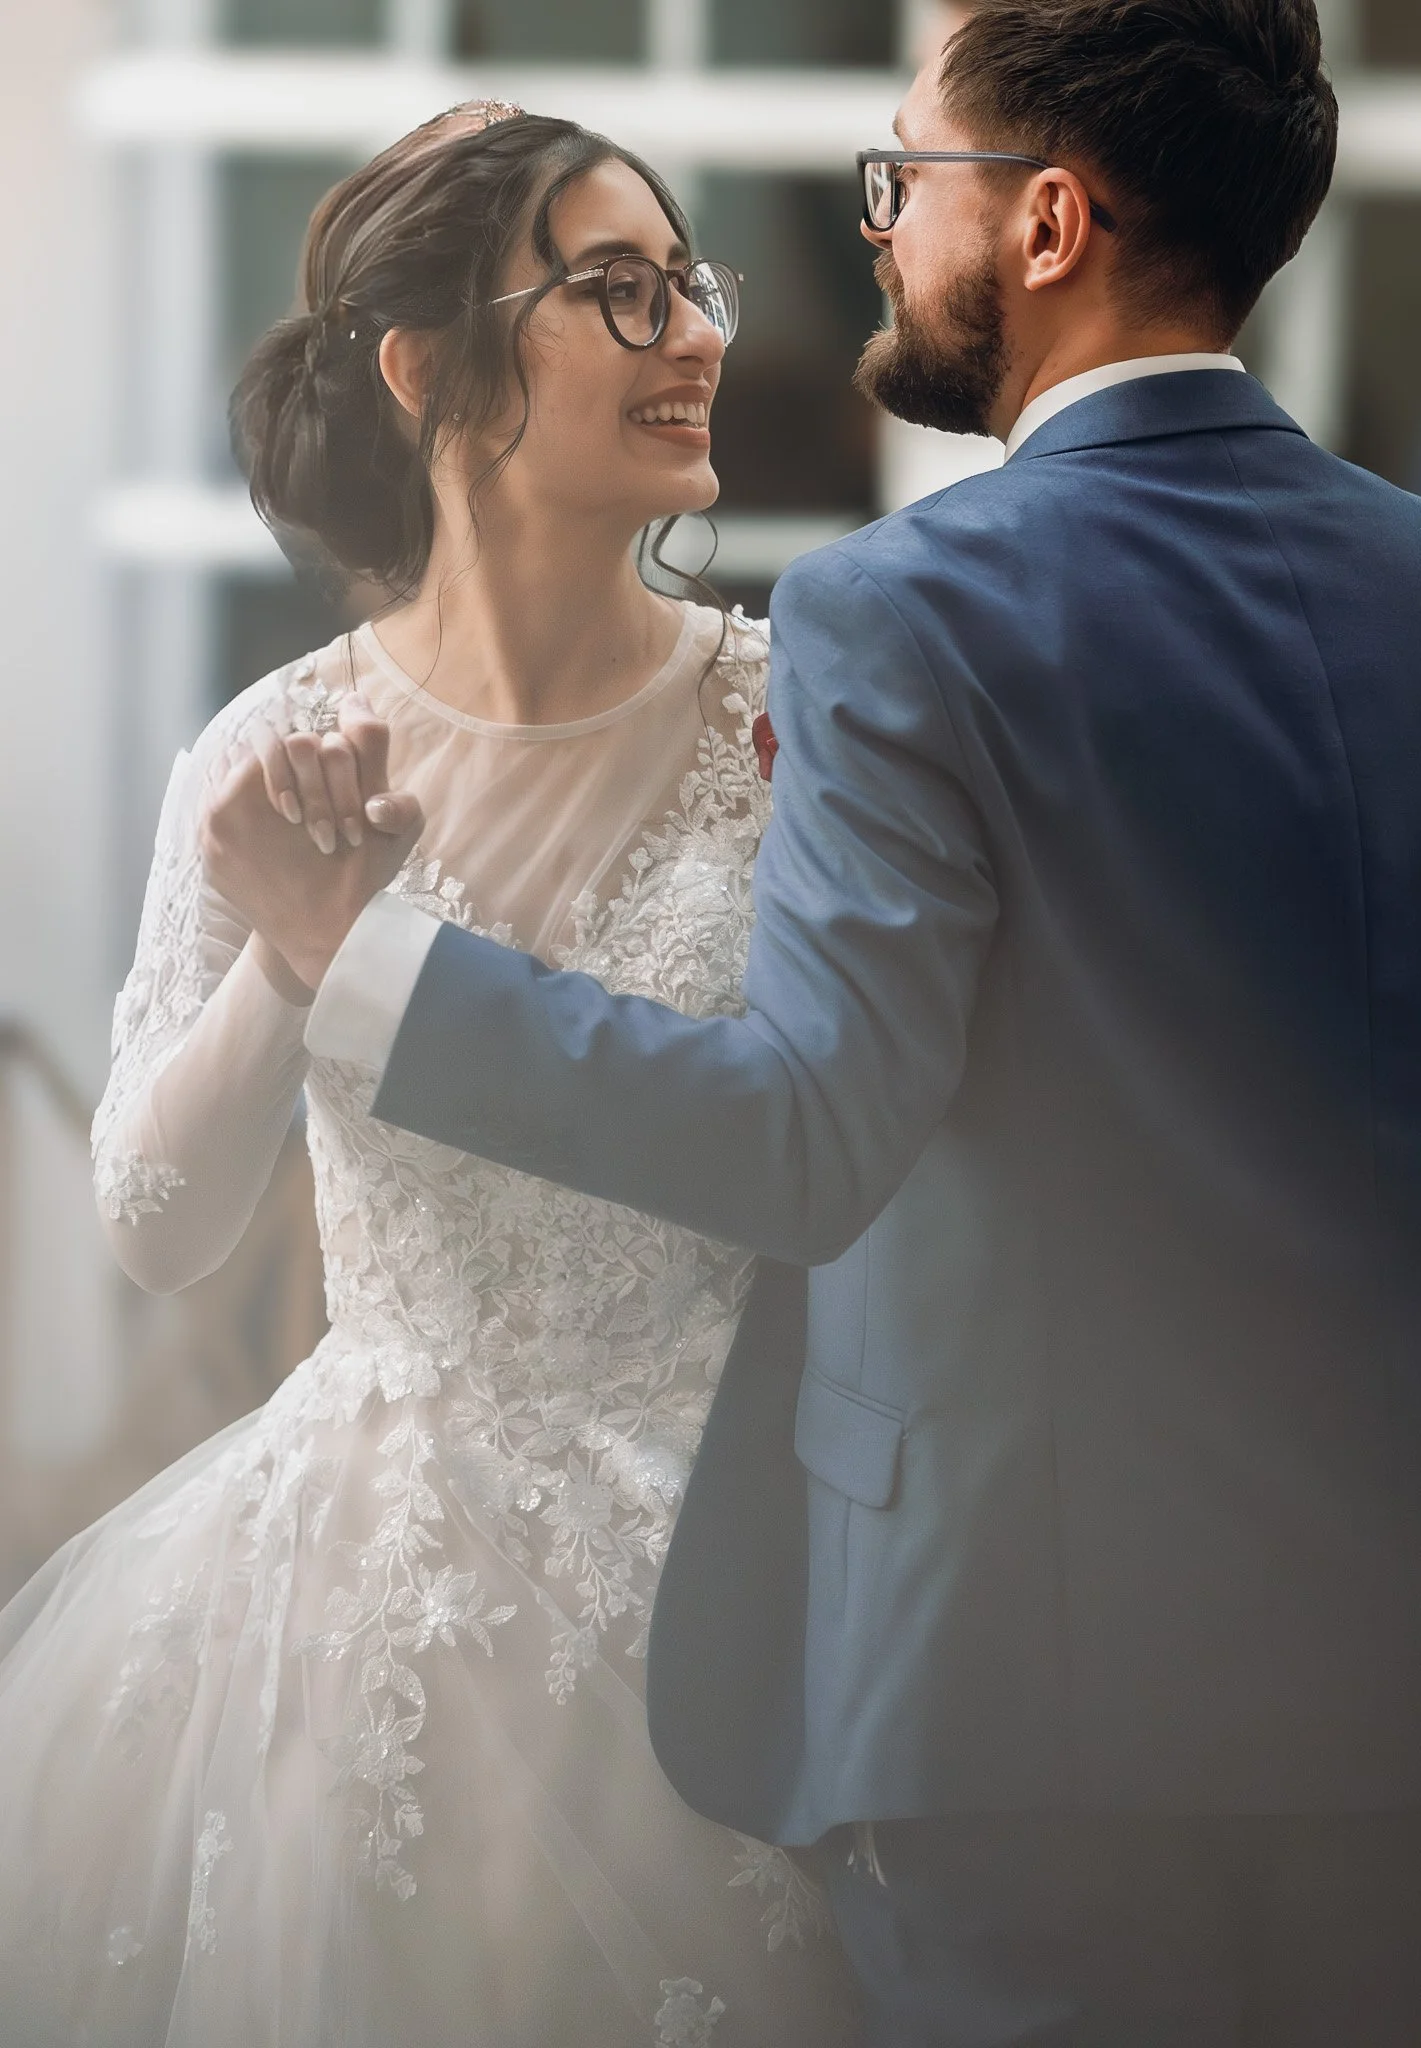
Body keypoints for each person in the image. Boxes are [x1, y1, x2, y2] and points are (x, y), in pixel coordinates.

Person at [209, 3, 1421, 2043]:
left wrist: (366, 963)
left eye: (908, 179)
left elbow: (809, 1136)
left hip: (1028, 1719)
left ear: (1049, 219)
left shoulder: (905, 610)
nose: (876, 230)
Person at [0, 101, 858, 2047]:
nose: (696, 335)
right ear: (427, 371)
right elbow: (155, 1226)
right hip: (341, 1615)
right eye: (616, 292)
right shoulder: (272, 748)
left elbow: (846, 1141)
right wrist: (295, 968)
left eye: (691, 284)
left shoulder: (798, 719)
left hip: (733, 1592)